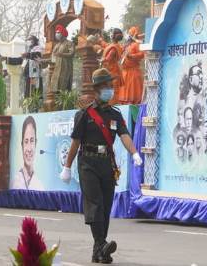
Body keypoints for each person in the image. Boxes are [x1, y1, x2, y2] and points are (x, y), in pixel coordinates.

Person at [60, 68, 142, 264]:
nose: (110, 90)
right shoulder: (84, 114)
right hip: (87, 163)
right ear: (97, 89)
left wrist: (134, 153)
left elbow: (124, 135)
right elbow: (75, 143)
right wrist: (67, 166)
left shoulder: (115, 114)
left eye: (111, 86)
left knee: (105, 207)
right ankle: (102, 244)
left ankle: (99, 251)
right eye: (107, 86)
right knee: (95, 203)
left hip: (107, 163)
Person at [13, 116, 45, 191]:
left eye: (32, 141)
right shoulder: (15, 182)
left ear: (36, 143)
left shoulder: (40, 186)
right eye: (26, 141)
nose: (29, 149)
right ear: (22, 145)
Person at [117, 27, 145, 104]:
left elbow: (142, 54)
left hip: (133, 73)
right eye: (128, 34)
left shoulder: (136, 44)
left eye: (130, 34)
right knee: (124, 97)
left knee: (133, 97)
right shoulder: (125, 45)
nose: (128, 36)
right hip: (124, 73)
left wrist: (132, 56)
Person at [49, 25, 75, 93]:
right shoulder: (56, 45)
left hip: (65, 69)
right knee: (56, 90)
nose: (56, 34)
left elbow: (72, 54)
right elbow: (53, 59)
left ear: (63, 34)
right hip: (57, 70)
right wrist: (41, 61)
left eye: (58, 33)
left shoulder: (69, 43)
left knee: (64, 89)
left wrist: (62, 54)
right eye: (56, 33)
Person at [100, 28, 124, 100]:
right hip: (113, 70)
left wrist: (101, 60)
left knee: (110, 90)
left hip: (111, 71)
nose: (110, 35)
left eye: (111, 33)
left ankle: (108, 106)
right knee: (111, 90)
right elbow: (106, 45)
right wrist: (100, 40)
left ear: (113, 36)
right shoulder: (116, 46)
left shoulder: (113, 47)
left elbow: (108, 58)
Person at [21, 35, 44, 99]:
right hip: (28, 74)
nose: (29, 41)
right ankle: (28, 102)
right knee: (28, 89)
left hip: (35, 73)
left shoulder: (38, 47)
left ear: (34, 40)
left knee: (34, 88)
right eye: (28, 40)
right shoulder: (29, 49)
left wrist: (27, 55)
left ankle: (34, 103)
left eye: (30, 39)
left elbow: (37, 55)